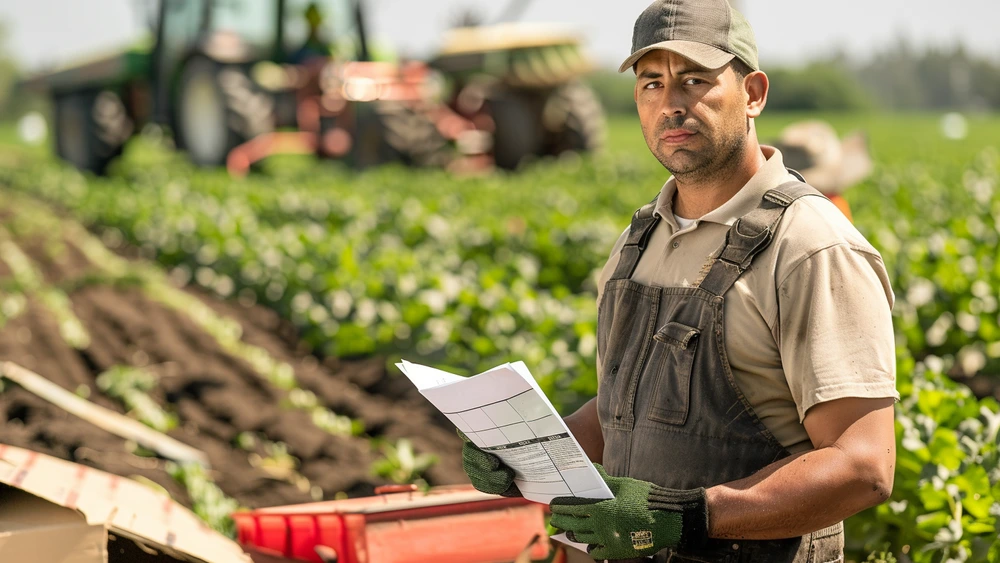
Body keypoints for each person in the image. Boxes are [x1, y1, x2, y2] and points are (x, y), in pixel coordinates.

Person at [460, 1, 898, 561]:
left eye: (695, 80)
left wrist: (685, 518)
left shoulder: (811, 246)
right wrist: (529, 452)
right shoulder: (637, 241)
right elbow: (634, 411)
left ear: (754, 93)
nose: (671, 105)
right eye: (651, 83)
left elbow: (862, 466)